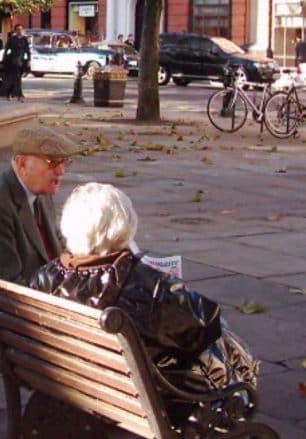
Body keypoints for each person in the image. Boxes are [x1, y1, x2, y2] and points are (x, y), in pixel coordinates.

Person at [30, 182, 258, 426]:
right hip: (141, 398)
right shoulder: (148, 287)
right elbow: (203, 327)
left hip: (79, 380)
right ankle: (237, 403)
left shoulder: (45, 277)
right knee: (216, 341)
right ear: (123, 227)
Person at [0, 122, 81, 285]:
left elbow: (57, 246)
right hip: (8, 306)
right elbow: (7, 286)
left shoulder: (41, 192)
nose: (61, 171)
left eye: (64, 162)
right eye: (52, 162)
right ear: (22, 164)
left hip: (44, 292)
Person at [0, 24, 30, 100]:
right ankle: (18, 95)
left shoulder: (24, 39)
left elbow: (27, 51)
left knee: (17, 78)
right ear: (15, 30)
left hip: (21, 61)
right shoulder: (12, 39)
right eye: (18, 29)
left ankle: (11, 94)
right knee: (16, 78)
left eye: (21, 29)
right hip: (13, 61)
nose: (19, 31)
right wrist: (4, 60)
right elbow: (7, 50)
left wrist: (28, 60)